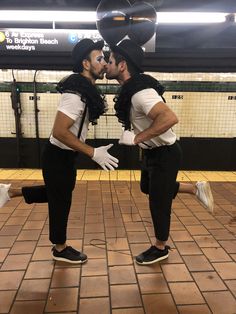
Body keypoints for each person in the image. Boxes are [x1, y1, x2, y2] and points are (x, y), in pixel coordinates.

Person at [0, 38, 119, 264]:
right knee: (60, 201)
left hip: (65, 156)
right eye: (99, 59)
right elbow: (60, 132)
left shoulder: (84, 91)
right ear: (86, 64)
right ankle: (60, 248)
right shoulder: (75, 95)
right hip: (57, 155)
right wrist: (92, 152)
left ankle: (10, 192)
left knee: (58, 193)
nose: (104, 63)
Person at [105, 39, 214, 265]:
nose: (107, 64)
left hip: (165, 153)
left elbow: (169, 118)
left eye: (110, 60)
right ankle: (195, 188)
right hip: (153, 153)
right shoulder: (133, 89)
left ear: (122, 65)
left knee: (159, 202)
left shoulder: (141, 93)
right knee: (148, 187)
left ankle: (160, 247)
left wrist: (137, 138)